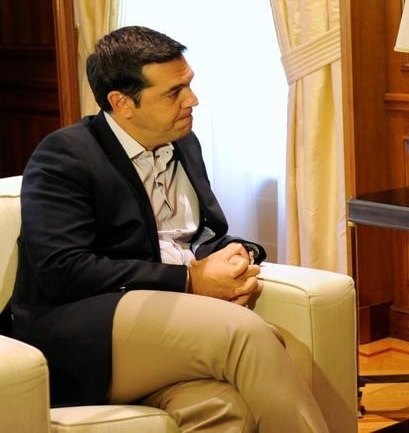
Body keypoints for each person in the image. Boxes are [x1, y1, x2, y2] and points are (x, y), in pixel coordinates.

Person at [10, 26, 328, 432]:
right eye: (174, 92)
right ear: (122, 103)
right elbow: (63, 269)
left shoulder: (184, 142)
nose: (192, 100)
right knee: (247, 334)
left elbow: (204, 235)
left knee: (224, 408)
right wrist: (190, 280)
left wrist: (238, 255)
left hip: (163, 325)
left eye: (189, 85)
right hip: (81, 332)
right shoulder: (65, 155)